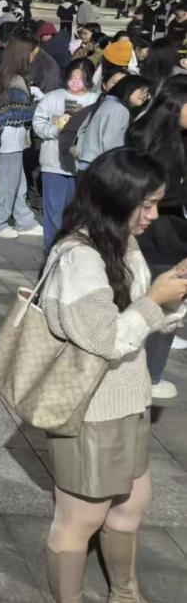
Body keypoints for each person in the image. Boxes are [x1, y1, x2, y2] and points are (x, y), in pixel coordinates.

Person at [39, 148, 187, 603]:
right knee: (80, 518)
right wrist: (154, 300)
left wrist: (172, 297)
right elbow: (105, 339)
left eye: (157, 203)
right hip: (89, 409)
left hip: (127, 400)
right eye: (146, 204)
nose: (153, 215)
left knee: (132, 503)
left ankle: (124, 593)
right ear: (116, 199)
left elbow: (140, 320)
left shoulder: (122, 242)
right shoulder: (78, 258)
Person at [126, 79, 187, 402]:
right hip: (160, 237)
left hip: (163, 234)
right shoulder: (158, 145)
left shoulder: (158, 135)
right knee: (161, 301)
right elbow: (155, 192)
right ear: (175, 105)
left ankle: (148, 372)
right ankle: (150, 375)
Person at [0, 35, 44, 239]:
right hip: (9, 139)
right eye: (32, 53)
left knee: (18, 182)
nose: (33, 57)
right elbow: (14, 113)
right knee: (6, 182)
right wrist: (39, 105)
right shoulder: (15, 80)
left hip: (9, 138)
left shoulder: (4, 74)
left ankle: (24, 220)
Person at [32, 59, 99, 249]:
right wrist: (55, 129)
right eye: (72, 77)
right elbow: (38, 123)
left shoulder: (95, 101)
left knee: (75, 213)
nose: (76, 81)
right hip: (53, 163)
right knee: (54, 211)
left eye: (81, 77)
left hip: (82, 166)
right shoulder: (53, 97)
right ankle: (51, 249)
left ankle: (69, 249)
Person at [73, 75, 151, 170]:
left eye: (147, 92)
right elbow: (113, 146)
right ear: (129, 86)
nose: (145, 95)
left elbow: (82, 130)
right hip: (101, 167)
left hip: (86, 163)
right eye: (142, 90)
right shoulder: (119, 109)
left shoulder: (105, 103)